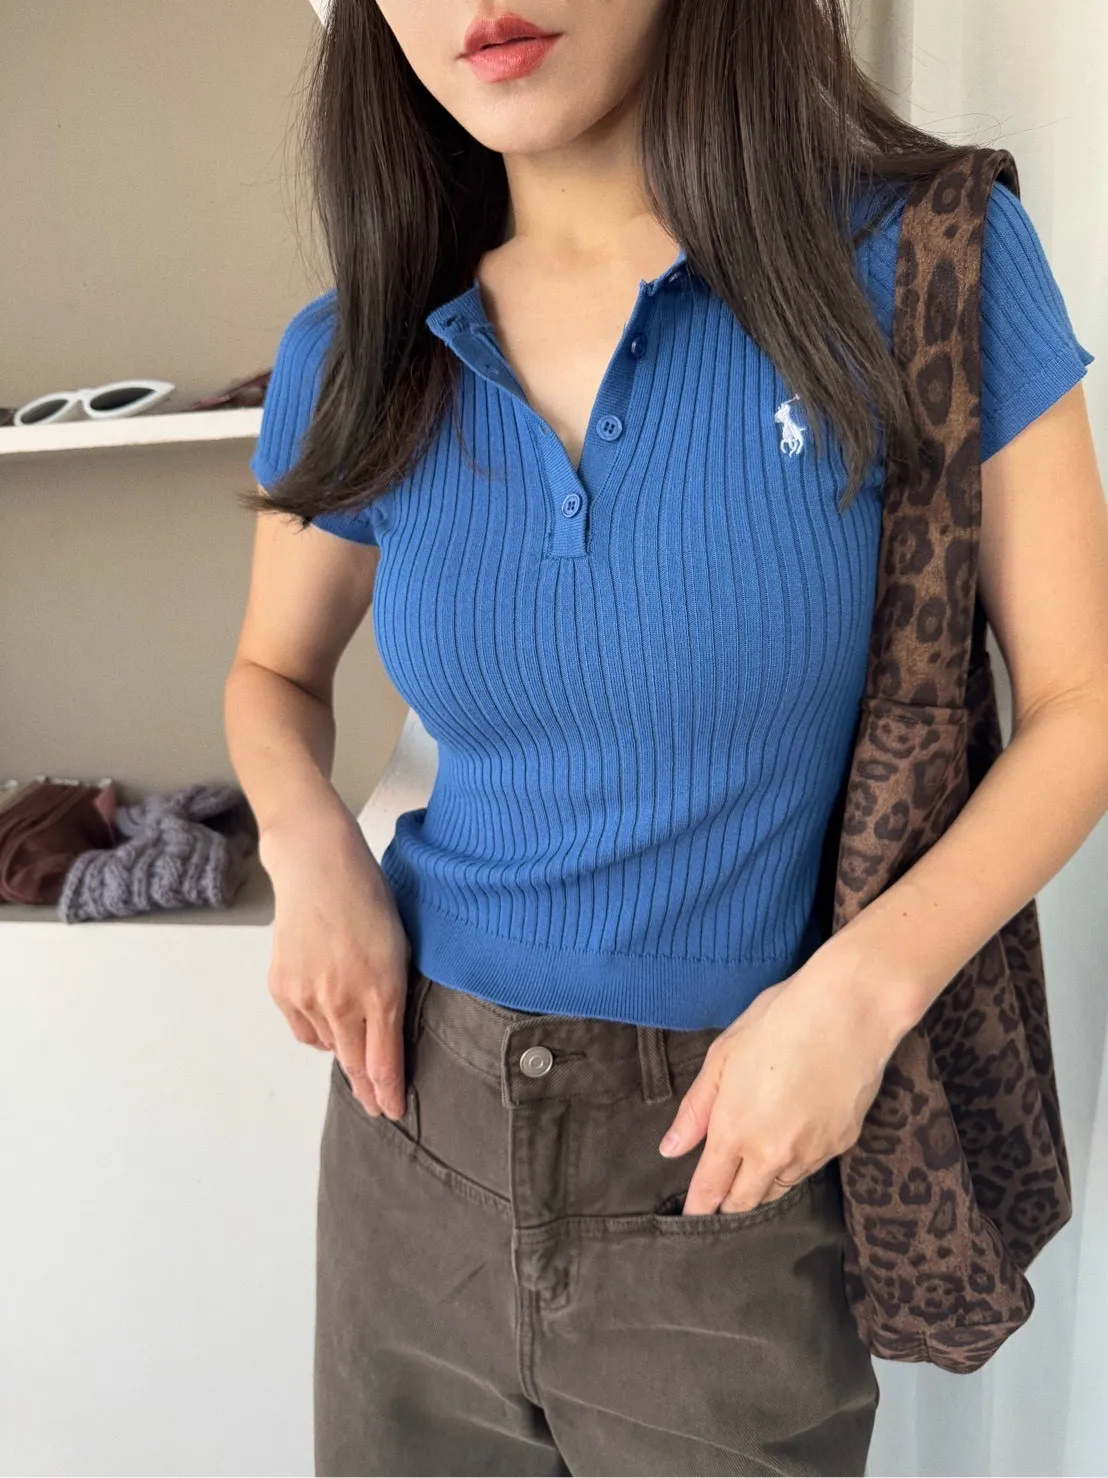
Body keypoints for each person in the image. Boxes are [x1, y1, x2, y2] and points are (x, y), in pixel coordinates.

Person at [225, 2, 1108, 1473]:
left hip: (728, 1154)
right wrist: (309, 847)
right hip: (408, 1132)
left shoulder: (921, 265)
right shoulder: (356, 344)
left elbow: (1082, 703)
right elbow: (272, 671)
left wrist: (858, 1000)